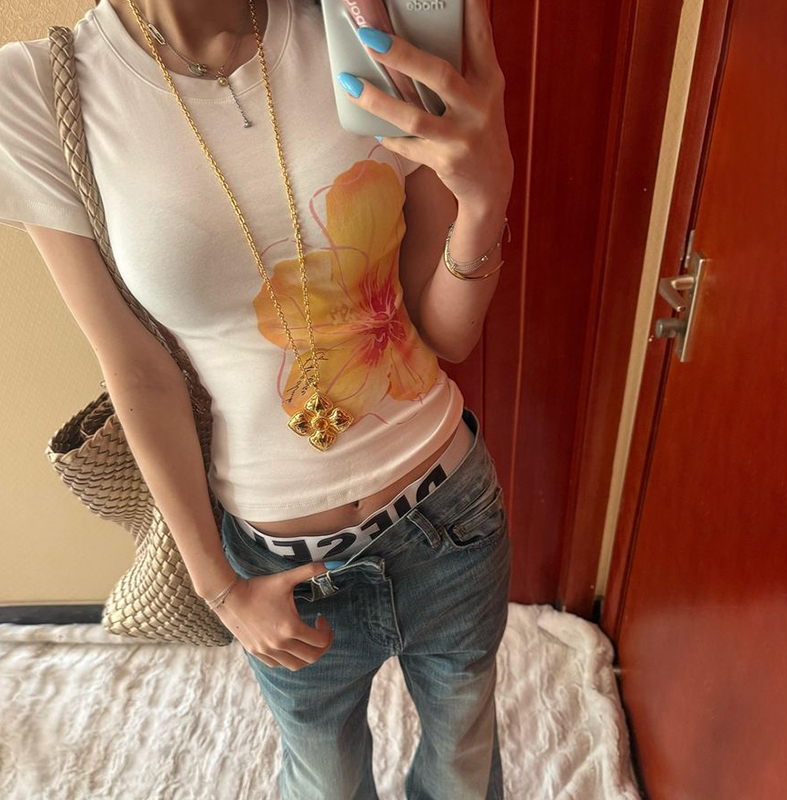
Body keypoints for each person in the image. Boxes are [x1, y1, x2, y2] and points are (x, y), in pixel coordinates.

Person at [0, 0, 515, 797]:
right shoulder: (38, 90)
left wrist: (485, 200)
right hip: (284, 572)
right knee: (322, 780)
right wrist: (221, 590)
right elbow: (137, 368)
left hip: (451, 518)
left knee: (464, 771)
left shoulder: (359, 17)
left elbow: (445, 332)